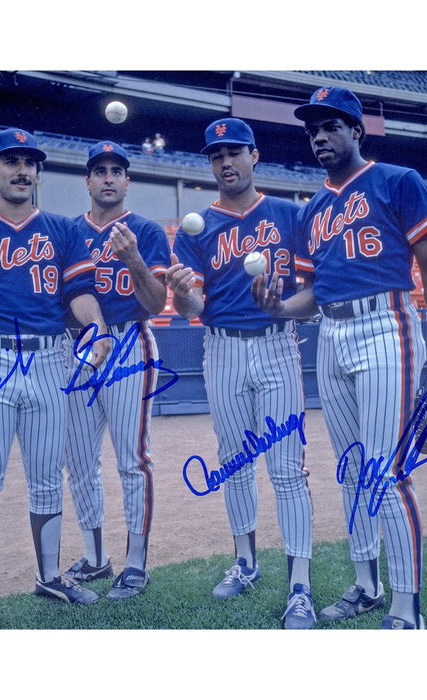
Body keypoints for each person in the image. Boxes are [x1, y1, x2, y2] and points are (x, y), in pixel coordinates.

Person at [253, 87, 427, 630]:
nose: (320, 137)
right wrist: (278, 307)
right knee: (351, 471)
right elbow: (310, 296)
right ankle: (366, 585)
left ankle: (406, 607)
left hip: (386, 325)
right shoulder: (312, 210)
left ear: (356, 130)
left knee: (386, 472)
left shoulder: (398, 180)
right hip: (333, 334)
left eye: (331, 126)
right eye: (312, 130)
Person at [0, 127, 110, 629]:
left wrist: (95, 325)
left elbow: (78, 293)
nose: (22, 169)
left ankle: (49, 576)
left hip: (51, 359)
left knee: (48, 482)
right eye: (10, 161)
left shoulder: (62, 229)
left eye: (29, 162)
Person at [166, 118, 315, 629]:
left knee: (286, 469)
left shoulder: (289, 216)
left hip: (277, 347)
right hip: (222, 349)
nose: (225, 162)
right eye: (215, 155)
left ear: (255, 156)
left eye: (234, 152)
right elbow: (191, 307)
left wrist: (283, 307)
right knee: (233, 462)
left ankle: (300, 585)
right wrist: (184, 292)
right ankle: (246, 562)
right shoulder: (197, 226)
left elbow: (314, 295)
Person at [62, 141, 171, 600]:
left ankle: (135, 563)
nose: (108, 177)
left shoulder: (145, 231)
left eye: (116, 170)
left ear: (128, 181)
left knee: (132, 460)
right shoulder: (66, 232)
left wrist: (134, 260)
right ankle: (96, 557)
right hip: (78, 348)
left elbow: (156, 303)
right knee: (79, 461)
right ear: (87, 181)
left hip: (130, 342)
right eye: (99, 170)